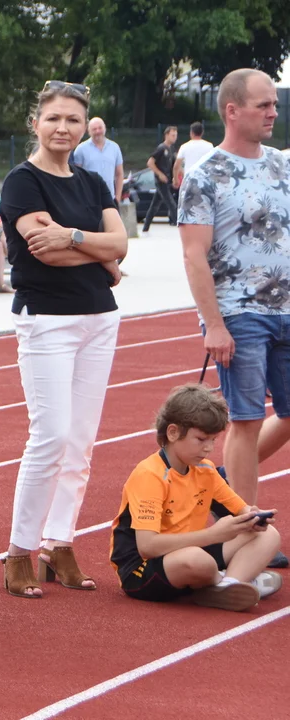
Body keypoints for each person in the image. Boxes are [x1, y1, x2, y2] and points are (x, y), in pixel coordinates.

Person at [0, 80, 128, 599]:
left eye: (73, 120)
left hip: (99, 318)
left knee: (81, 443)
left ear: (85, 126)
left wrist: (77, 237)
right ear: (36, 122)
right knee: (50, 435)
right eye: (53, 118)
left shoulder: (93, 182)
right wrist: (103, 256)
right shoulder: (21, 182)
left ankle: (61, 542)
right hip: (46, 318)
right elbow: (41, 251)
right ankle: (19, 552)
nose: (63, 128)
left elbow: (120, 241)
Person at [178, 68, 290, 569]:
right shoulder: (205, 175)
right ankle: (249, 533)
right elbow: (193, 255)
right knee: (244, 421)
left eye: (274, 105)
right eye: (263, 105)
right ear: (232, 110)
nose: (273, 112)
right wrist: (214, 324)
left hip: (288, 310)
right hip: (240, 313)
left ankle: (223, 488)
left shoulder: (283, 166)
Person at [110, 385, 281, 610]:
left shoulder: (206, 470)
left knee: (268, 534)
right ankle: (226, 579)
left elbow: (240, 509)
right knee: (197, 561)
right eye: (201, 439)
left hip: (194, 548)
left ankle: (227, 586)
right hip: (144, 569)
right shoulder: (150, 475)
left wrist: (252, 517)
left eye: (212, 440)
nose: (209, 448)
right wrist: (213, 534)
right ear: (172, 433)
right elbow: (148, 546)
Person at [72, 117, 124, 204]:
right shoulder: (80, 149)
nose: (97, 131)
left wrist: (117, 198)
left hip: (110, 199)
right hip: (89, 200)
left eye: (100, 128)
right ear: (89, 131)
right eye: (94, 129)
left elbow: (119, 174)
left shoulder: (115, 148)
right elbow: (76, 176)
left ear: (105, 128)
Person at [142, 125, 179, 231]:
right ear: (166, 135)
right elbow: (150, 162)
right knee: (171, 204)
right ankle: (180, 226)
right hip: (161, 181)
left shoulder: (171, 149)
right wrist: (159, 174)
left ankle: (145, 227)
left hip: (167, 180)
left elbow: (175, 164)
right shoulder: (161, 148)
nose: (174, 137)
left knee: (155, 205)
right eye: (172, 135)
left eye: (176, 135)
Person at [173, 121, 214, 186]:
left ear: (191, 132)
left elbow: (176, 166)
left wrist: (175, 180)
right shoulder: (209, 146)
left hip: (189, 180)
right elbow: (213, 164)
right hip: (204, 180)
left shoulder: (184, 146)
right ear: (202, 132)